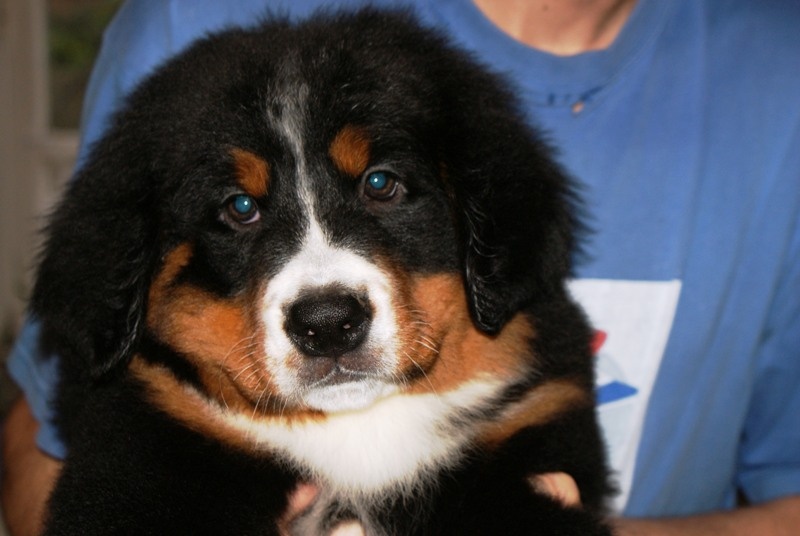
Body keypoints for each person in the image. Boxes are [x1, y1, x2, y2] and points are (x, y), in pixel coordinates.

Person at [3, 0, 799, 534]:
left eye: (382, 187)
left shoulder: (775, 67)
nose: (324, 297)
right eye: (239, 210)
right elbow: (47, 447)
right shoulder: (187, 17)